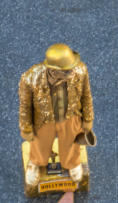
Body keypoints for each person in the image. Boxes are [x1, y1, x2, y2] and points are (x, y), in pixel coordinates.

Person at [18, 43, 94, 186]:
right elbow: (25, 106)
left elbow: (86, 95)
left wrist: (88, 118)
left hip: (71, 116)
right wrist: (26, 128)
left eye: (72, 67)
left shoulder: (80, 70)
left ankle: (72, 162)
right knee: (39, 144)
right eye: (66, 71)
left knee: (71, 143)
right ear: (52, 70)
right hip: (43, 119)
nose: (72, 73)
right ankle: (35, 163)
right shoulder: (30, 79)